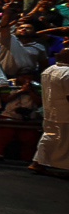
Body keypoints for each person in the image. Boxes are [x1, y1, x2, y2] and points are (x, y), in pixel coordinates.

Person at [29, 45, 69, 176]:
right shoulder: (67, 73)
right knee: (61, 139)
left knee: (49, 137)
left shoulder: (49, 70)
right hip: (64, 112)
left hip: (50, 110)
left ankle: (37, 162)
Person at [0, 68, 42, 162]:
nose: (26, 80)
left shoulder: (37, 86)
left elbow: (39, 102)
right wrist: (21, 91)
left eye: (29, 77)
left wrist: (30, 91)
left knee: (30, 140)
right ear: (17, 77)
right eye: (23, 77)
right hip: (9, 114)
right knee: (2, 137)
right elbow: (5, 98)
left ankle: (28, 159)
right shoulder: (7, 84)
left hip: (29, 116)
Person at [0, 4, 49, 76]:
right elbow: (3, 27)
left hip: (27, 78)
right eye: (20, 28)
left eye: (28, 28)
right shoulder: (8, 39)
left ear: (34, 32)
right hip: (6, 77)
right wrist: (6, 13)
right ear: (15, 30)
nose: (24, 29)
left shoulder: (39, 47)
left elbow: (43, 66)